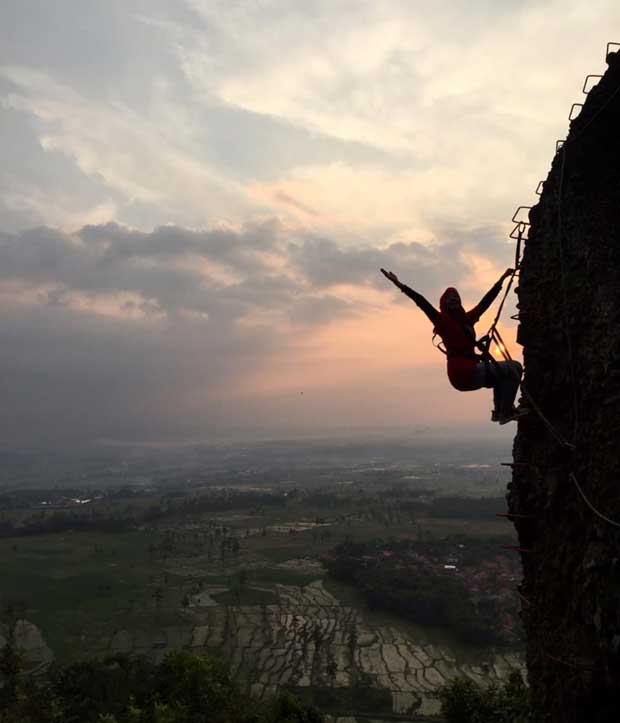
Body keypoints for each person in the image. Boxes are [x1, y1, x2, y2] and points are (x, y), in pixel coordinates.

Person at [380, 267, 527, 424]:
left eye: (456, 296)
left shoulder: (468, 319)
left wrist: (502, 279)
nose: (453, 299)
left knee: (509, 372)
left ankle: (500, 412)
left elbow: (485, 303)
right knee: (512, 368)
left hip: (469, 371)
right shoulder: (442, 322)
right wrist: (399, 284)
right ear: (444, 303)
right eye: (449, 298)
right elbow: (422, 302)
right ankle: (505, 411)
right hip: (462, 372)